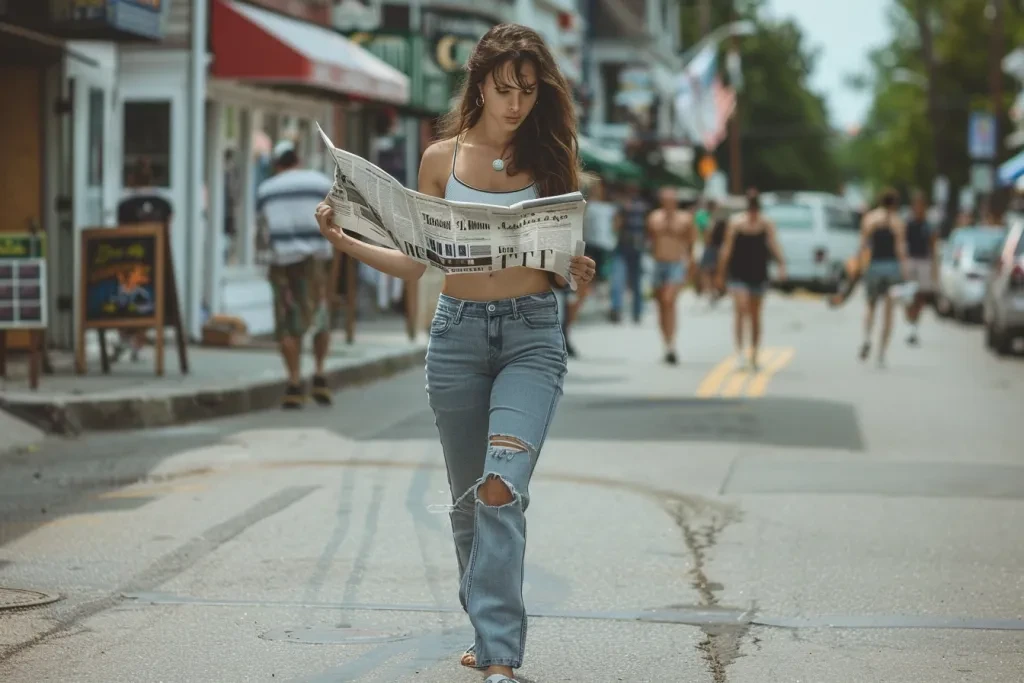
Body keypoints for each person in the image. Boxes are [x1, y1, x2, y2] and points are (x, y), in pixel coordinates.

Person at [315, 24, 595, 683]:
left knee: (501, 486)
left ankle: (499, 655)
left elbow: (567, 259)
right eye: (504, 89)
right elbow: (417, 267)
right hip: (459, 337)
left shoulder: (553, 158)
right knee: (470, 498)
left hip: (532, 335)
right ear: (479, 86)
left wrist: (579, 271)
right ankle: (487, 627)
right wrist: (345, 240)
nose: (516, 104)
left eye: (528, 90)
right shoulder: (440, 160)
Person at [257, 140, 336, 409]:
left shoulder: (266, 189)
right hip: (315, 261)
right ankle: (320, 372)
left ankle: (293, 381)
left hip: (282, 262)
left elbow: (263, 230)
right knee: (320, 317)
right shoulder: (320, 182)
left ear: (277, 165)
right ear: (297, 160)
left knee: (286, 321)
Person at [717, 188, 787, 371]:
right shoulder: (736, 223)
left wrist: (781, 264)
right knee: (741, 308)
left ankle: (754, 353)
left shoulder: (766, 224)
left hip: (758, 272)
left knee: (755, 315)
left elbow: (774, 244)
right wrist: (721, 272)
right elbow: (727, 248)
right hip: (739, 272)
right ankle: (739, 352)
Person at [563, 174, 619, 357]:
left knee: (576, 295)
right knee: (571, 296)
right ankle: (564, 334)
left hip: (581, 251)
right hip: (568, 251)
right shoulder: (580, 206)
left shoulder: (592, 207)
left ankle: (565, 333)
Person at [857, 188, 909, 366]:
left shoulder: (870, 219)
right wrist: (905, 271)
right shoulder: (897, 222)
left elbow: (863, 245)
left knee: (870, 305)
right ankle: (881, 352)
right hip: (892, 268)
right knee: (889, 311)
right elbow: (900, 250)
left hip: (874, 266)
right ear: (895, 203)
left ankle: (866, 337)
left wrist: (861, 266)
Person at [647, 186, 695, 364]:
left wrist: (690, 268)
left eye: (671, 200)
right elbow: (650, 240)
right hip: (658, 263)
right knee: (661, 305)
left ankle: (672, 343)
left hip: (676, 263)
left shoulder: (685, 219)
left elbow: (691, 243)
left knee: (669, 300)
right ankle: (666, 343)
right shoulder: (654, 218)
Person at [609, 182, 649, 323]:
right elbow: (615, 226)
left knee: (632, 282)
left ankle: (634, 311)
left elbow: (615, 226)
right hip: (625, 247)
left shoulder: (639, 206)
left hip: (633, 248)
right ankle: (619, 310)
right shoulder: (625, 206)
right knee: (620, 280)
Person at [903, 190, 938, 346]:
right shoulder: (908, 223)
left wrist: (934, 267)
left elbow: (933, 246)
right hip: (911, 261)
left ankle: (915, 325)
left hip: (924, 261)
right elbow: (902, 244)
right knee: (908, 295)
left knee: (921, 295)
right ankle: (910, 323)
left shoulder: (928, 224)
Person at [700, 202, 727, 304]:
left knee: (716, 270)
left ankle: (719, 289)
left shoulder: (721, 220)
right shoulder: (708, 219)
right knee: (707, 270)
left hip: (717, 247)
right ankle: (711, 291)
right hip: (711, 247)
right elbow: (707, 234)